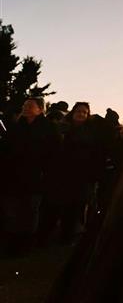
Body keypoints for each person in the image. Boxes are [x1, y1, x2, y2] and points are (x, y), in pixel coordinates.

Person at [0, 97, 59, 256]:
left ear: (40, 109)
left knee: (30, 210)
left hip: (35, 177)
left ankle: (26, 243)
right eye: (25, 105)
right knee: (12, 210)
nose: (25, 108)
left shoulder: (48, 128)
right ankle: (12, 242)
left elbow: (53, 154)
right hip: (13, 175)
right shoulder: (17, 126)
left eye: (30, 106)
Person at [40, 102, 104, 244]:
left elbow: (95, 154)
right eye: (79, 111)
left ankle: (66, 236)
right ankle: (43, 236)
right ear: (73, 112)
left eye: (84, 112)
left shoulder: (91, 132)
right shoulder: (61, 128)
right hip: (59, 175)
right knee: (52, 208)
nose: (81, 114)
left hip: (79, 177)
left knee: (72, 210)